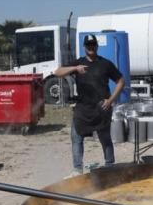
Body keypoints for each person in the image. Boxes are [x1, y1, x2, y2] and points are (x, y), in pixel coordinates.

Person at [53, 35, 125, 176]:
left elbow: (121, 81)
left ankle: (110, 166)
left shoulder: (106, 64)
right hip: (83, 108)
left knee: (105, 138)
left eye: (93, 45)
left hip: (101, 107)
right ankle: (77, 170)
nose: (91, 47)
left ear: (97, 46)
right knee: (76, 137)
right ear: (84, 47)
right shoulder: (78, 63)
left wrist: (110, 101)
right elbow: (57, 72)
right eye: (88, 45)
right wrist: (75, 68)